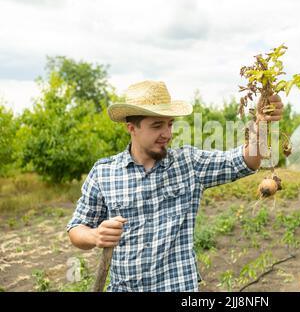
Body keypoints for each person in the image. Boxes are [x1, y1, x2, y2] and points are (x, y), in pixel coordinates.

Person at [66, 80, 283, 291]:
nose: (168, 134)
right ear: (132, 128)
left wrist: (262, 124)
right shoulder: (104, 173)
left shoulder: (189, 164)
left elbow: (247, 160)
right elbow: (77, 229)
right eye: (157, 126)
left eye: (169, 124)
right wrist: (95, 236)